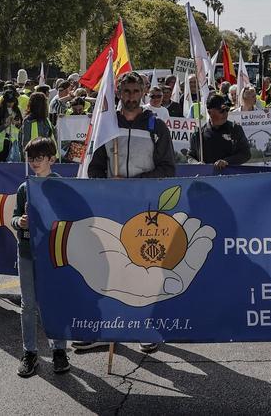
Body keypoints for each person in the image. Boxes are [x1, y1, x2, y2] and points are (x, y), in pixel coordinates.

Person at [83, 71, 176, 354]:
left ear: (144, 92)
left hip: (145, 208)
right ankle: (107, 330)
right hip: (112, 207)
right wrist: (106, 187)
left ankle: (147, 329)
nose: (131, 97)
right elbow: (94, 166)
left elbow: (168, 169)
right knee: (107, 269)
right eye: (127, 92)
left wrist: (135, 184)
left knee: (145, 270)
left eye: (136, 92)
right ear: (119, 93)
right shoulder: (108, 125)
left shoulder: (156, 126)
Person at [11, 137, 70, 377]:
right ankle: (30, 353)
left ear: (51, 159)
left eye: (40, 158)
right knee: (28, 304)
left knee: (54, 300)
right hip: (26, 250)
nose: (35, 163)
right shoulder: (24, 188)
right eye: (31, 158)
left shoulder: (60, 186)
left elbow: (68, 218)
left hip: (52, 253)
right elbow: (15, 217)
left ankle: (59, 351)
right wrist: (19, 221)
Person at [189, 94, 251, 169]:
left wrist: (227, 161)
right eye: (221, 111)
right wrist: (196, 164)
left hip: (231, 176)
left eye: (227, 109)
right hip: (207, 177)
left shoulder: (235, 129)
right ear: (209, 112)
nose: (225, 113)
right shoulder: (198, 134)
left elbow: (246, 154)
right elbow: (190, 156)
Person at [0, 89, 23, 162]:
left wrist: (16, 124)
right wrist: (5, 125)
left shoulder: (19, 110)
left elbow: (22, 128)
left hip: (15, 144)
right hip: (2, 145)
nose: (10, 103)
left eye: (12, 101)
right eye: (8, 101)